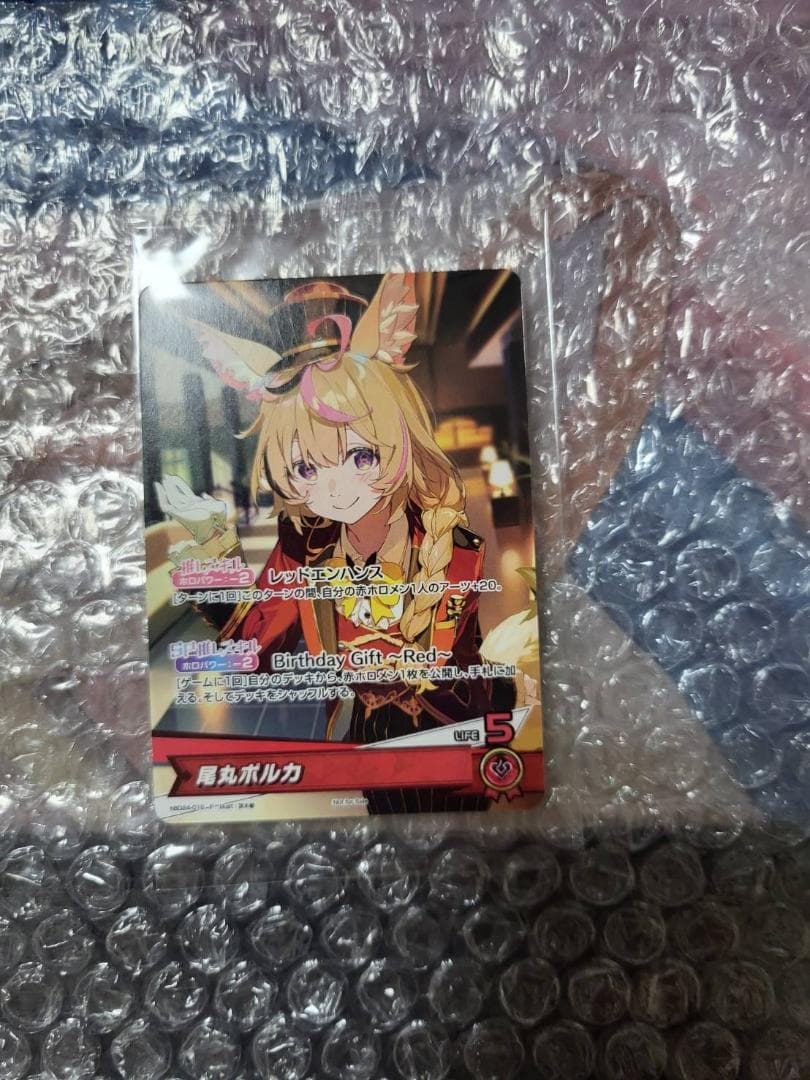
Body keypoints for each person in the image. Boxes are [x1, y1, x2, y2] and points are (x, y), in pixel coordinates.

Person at [157, 273, 513, 813]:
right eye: (305, 468)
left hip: (451, 731)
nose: (335, 488)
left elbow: (436, 664)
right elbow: (253, 646)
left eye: (361, 456)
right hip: (368, 737)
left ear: (398, 440)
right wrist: (213, 545)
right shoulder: (307, 547)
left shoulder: (450, 542)